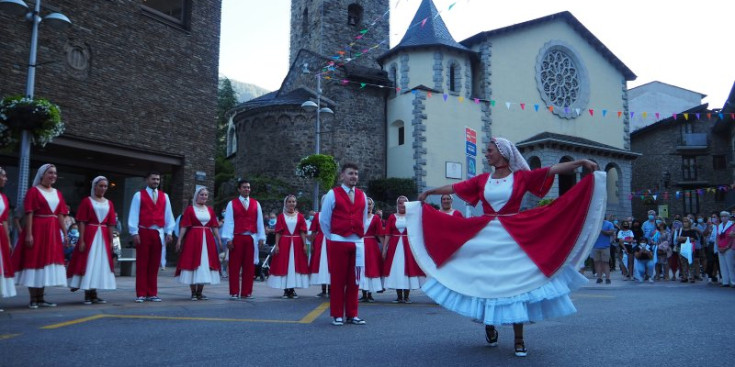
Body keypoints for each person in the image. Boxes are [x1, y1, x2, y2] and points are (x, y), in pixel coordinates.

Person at [410, 137, 603, 357]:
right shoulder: (482, 180)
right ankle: (489, 324)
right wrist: (429, 192)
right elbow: (454, 187)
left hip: (513, 237)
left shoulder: (521, 177)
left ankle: (519, 339)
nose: (487, 154)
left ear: (502, 153)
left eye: (490, 150)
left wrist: (580, 162)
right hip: (485, 236)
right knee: (484, 281)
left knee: (515, 286)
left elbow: (552, 170)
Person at [12, 164, 69, 308]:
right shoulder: (34, 191)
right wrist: (29, 234)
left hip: (52, 230)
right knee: (35, 260)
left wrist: (65, 233)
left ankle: (41, 298)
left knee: (46, 264)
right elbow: (29, 213)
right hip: (38, 228)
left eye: (55, 173)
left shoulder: (58, 193)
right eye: (50, 173)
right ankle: (33, 298)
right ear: (42, 174)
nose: (53, 176)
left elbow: (60, 215)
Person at [319, 162, 368, 326]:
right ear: (342, 176)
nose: (353, 176)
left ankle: (352, 314)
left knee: (355, 280)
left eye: (355, 173)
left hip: (357, 242)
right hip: (339, 241)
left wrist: (359, 235)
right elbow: (324, 220)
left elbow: (364, 219)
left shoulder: (362, 195)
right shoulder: (333, 194)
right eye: (350, 173)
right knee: (338, 279)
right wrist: (333, 236)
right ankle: (337, 314)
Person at [67, 176, 118, 305]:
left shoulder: (109, 203)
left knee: (99, 264)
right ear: (94, 186)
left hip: (103, 236)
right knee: (89, 262)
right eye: (100, 186)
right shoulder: (87, 201)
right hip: (91, 234)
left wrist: (111, 241)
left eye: (105, 186)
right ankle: (87, 293)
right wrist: (82, 239)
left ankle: (94, 293)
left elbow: (111, 223)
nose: (103, 188)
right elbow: (82, 222)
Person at [127, 171, 175, 303]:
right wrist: (134, 232)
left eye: (158, 179)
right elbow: (133, 214)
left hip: (158, 233)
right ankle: (141, 293)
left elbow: (168, 215)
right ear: (147, 180)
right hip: (143, 231)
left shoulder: (164, 196)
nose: (156, 181)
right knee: (142, 264)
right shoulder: (138, 195)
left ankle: (152, 293)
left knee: (154, 264)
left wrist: (169, 232)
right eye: (153, 179)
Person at [220, 179, 266, 300]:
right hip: (237, 237)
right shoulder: (232, 204)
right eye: (245, 187)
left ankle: (247, 292)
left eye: (248, 187)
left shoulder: (256, 204)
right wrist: (228, 239)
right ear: (239, 189)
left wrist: (261, 237)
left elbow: (259, 221)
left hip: (251, 237)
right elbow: (229, 222)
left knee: (249, 266)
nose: (247, 189)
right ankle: (234, 292)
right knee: (234, 266)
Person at [175, 186, 221, 300]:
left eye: (206, 195)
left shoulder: (210, 210)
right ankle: (193, 292)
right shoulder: (190, 209)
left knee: (205, 264)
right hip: (193, 239)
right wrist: (179, 240)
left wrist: (219, 240)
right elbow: (184, 226)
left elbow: (214, 226)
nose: (204, 196)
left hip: (208, 240)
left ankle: (200, 292)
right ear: (197, 196)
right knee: (192, 263)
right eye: (202, 194)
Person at [383, 196, 425, 303]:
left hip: (408, 246)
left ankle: (406, 296)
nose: (402, 205)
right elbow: (388, 234)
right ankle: (399, 296)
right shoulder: (392, 217)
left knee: (408, 268)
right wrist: (384, 249)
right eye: (400, 203)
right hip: (395, 246)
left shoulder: (412, 216)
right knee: (397, 269)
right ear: (397, 205)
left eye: (404, 203)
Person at [267, 195, 309, 298]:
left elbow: (303, 231)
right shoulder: (281, 216)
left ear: (296, 203)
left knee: (294, 266)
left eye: (293, 201)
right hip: (284, 243)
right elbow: (278, 232)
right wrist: (277, 245)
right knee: (285, 265)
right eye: (289, 202)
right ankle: (286, 290)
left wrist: (304, 244)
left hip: (297, 244)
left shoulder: (300, 216)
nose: (292, 203)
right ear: (286, 203)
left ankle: (292, 289)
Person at [359, 197, 384, 302]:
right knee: (361, 268)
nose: (368, 206)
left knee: (371, 268)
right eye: (366, 204)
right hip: (360, 244)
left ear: (372, 206)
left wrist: (384, 248)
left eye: (370, 204)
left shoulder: (376, 218)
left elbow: (379, 233)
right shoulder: (358, 217)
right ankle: (363, 293)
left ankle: (369, 293)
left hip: (371, 245)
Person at [0, 167, 16, 311]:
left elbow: (4, 220)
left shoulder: (4, 198)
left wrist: (8, 240)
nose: (5, 179)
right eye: (3, 176)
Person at [308, 199, 330, 298]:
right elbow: (313, 231)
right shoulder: (317, 215)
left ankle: (330, 289)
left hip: (331, 241)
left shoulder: (334, 214)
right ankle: (323, 289)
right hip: (320, 241)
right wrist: (312, 244)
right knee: (321, 264)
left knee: (330, 264)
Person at [592, 217, 615, 284]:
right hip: (595, 246)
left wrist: (601, 230)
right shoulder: (594, 223)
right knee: (597, 262)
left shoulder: (609, 224)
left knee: (605, 262)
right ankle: (599, 278)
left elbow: (611, 232)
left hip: (605, 246)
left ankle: (607, 278)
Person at [716, 211, 735, 287]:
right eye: (722, 216)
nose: (723, 218)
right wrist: (718, 247)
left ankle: (733, 281)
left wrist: (727, 247)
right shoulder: (719, 226)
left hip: (729, 247)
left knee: (730, 265)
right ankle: (725, 281)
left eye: (725, 216)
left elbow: (731, 238)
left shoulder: (732, 225)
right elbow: (717, 237)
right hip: (720, 247)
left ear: (728, 217)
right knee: (722, 265)